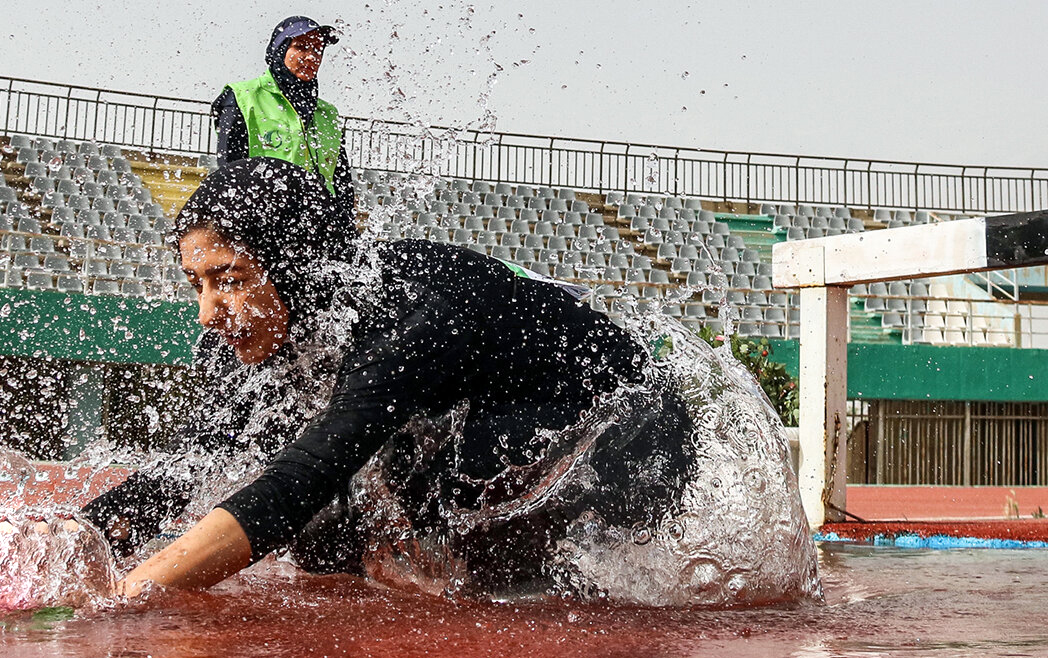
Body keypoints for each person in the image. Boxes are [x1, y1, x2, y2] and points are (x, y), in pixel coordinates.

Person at [83, 158, 693, 599]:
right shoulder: (265, 328)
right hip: (505, 420)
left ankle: (541, 591)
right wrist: (81, 533)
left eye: (231, 279)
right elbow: (199, 459)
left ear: (295, 266)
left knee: (414, 502)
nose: (208, 313)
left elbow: (302, 479)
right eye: (199, 285)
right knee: (329, 541)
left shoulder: (402, 320)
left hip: (630, 425)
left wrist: (127, 594)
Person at [212, 16, 355, 217]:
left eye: (317, 49)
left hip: (319, 225)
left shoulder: (327, 114)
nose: (311, 56)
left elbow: (342, 182)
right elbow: (228, 172)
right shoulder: (242, 97)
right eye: (301, 47)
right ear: (280, 50)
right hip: (264, 219)